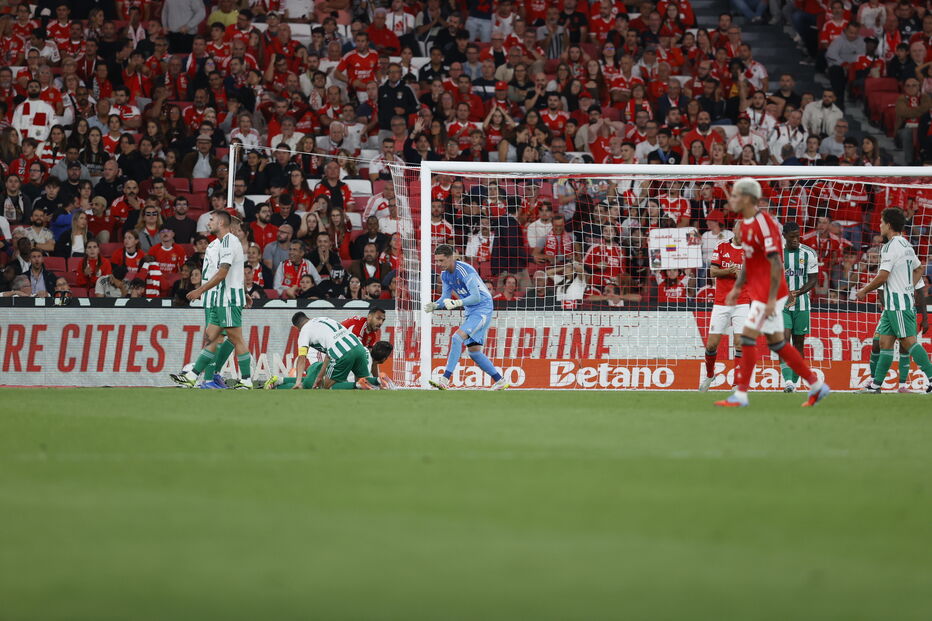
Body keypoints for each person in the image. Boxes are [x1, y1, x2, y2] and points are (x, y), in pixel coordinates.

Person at [715, 178, 830, 408]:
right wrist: (737, 288)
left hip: (771, 292)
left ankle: (741, 395)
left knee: (748, 338)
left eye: (736, 195)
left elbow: (776, 263)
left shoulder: (764, 223)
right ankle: (816, 386)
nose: (733, 200)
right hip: (762, 291)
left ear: (747, 198)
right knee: (777, 343)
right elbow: (750, 259)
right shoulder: (746, 225)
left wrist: (770, 300)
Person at [170, 210, 254, 389]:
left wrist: (200, 290)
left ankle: (242, 380)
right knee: (214, 339)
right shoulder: (219, 243)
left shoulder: (228, 242)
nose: (239, 227)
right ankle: (197, 376)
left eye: (212, 220)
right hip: (217, 298)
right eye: (237, 222)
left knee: (233, 339)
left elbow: (224, 272)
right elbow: (226, 273)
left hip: (225, 299)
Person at [856, 208, 932, 394]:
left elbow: (883, 276)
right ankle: (876, 385)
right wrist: (908, 287)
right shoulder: (906, 244)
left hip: (898, 304)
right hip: (894, 304)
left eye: (882, 222)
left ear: (889, 225)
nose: (880, 225)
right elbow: (919, 268)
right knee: (884, 343)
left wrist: (864, 290)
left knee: (909, 342)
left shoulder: (889, 247)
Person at [423, 244, 508, 391]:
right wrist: (435, 306)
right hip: (470, 310)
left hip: (483, 308)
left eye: (441, 261)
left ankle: (444, 379)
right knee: (474, 352)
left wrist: (457, 303)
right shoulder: (444, 275)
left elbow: (476, 297)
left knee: (457, 338)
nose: (439, 264)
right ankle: (499, 381)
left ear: (451, 258)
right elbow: (445, 297)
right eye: (436, 261)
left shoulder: (465, 270)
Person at [699, 222, 750, 392]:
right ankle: (709, 374)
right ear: (734, 230)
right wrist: (730, 271)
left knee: (740, 343)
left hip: (742, 302)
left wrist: (740, 274)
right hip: (721, 303)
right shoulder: (721, 247)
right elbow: (713, 272)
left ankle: (736, 384)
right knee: (711, 345)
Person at [276, 313, 381, 390]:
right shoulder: (323, 319)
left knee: (327, 386)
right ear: (308, 318)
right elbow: (328, 355)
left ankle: (358, 385)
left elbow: (302, 358)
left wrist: (298, 382)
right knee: (363, 381)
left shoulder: (304, 331)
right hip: (359, 347)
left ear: (297, 328)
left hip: (342, 352)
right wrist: (320, 376)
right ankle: (379, 380)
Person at [264, 330, 393, 390]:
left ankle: (279, 379)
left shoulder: (361, 349)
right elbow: (362, 380)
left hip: (318, 367)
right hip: (325, 372)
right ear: (384, 359)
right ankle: (277, 386)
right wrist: (373, 382)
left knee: (312, 382)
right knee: (308, 387)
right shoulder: (365, 361)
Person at [780, 222, 820, 393]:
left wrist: (797, 293)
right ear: (784, 236)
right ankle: (788, 381)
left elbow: (813, 279)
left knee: (798, 344)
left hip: (802, 305)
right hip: (781, 304)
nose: (796, 240)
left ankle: (793, 384)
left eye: (798, 236)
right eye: (792, 237)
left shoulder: (809, 253)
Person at [341, 307, 387, 376]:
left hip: (341, 353)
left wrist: (377, 379)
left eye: (383, 320)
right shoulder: (358, 327)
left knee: (367, 356)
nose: (381, 322)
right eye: (378, 318)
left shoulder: (372, 335)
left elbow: (371, 358)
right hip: (327, 350)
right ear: (369, 317)